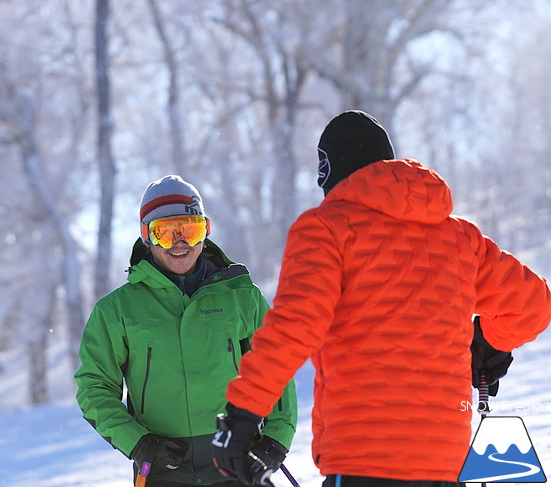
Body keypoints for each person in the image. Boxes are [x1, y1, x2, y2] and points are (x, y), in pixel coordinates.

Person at [211, 110, 551, 487]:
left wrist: (243, 413)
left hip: (363, 460)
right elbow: (533, 304)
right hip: (446, 465)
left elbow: (296, 327)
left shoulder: (325, 229)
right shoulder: (460, 239)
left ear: (329, 172)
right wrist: (489, 340)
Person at [75, 175, 297, 487]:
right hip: (162, 468)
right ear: (146, 237)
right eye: (165, 233)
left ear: (205, 232)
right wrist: (138, 442)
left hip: (237, 460)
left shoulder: (242, 298)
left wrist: (276, 439)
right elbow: (94, 388)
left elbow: (277, 368)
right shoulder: (117, 311)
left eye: (189, 230)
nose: (180, 243)